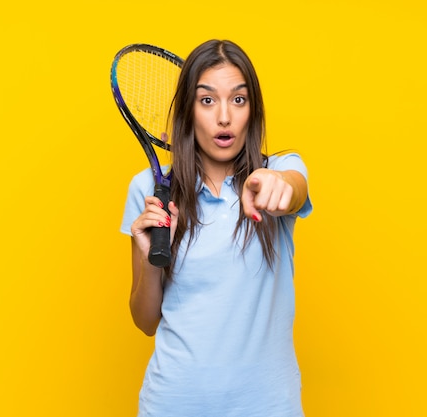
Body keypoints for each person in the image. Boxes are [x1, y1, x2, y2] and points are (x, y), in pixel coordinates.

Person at [120, 39, 312, 417]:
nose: (224, 117)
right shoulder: (148, 189)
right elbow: (145, 321)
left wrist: (278, 185)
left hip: (268, 407)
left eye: (238, 100)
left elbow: (294, 186)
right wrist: (149, 259)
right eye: (207, 100)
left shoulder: (278, 170)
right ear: (189, 111)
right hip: (173, 404)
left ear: (252, 110)